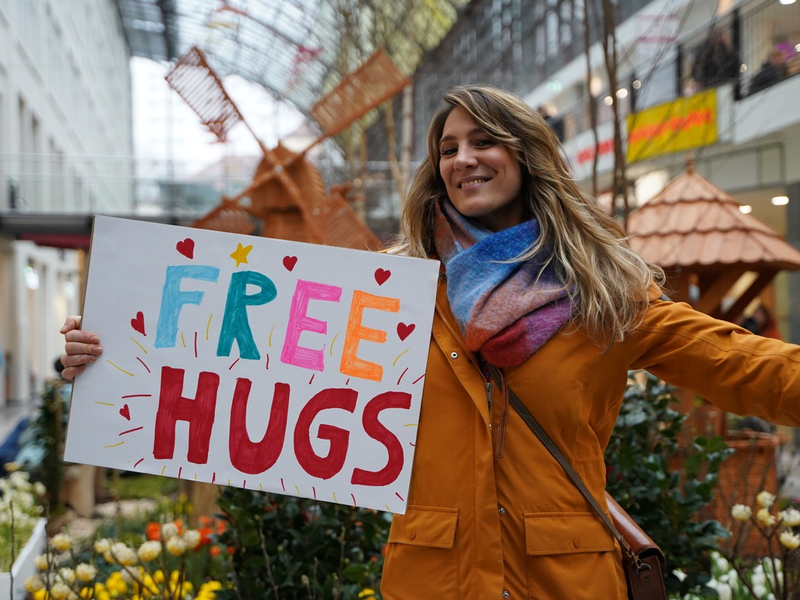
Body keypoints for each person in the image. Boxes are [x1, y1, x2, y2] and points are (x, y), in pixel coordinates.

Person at [61, 85, 800, 599]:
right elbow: (236, 364)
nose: (463, 158)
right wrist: (108, 357)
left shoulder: (603, 292)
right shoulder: (387, 294)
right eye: (448, 146)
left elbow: (740, 364)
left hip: (565, 580)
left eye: (485, 140)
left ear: (527, 155)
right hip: (432, 579)